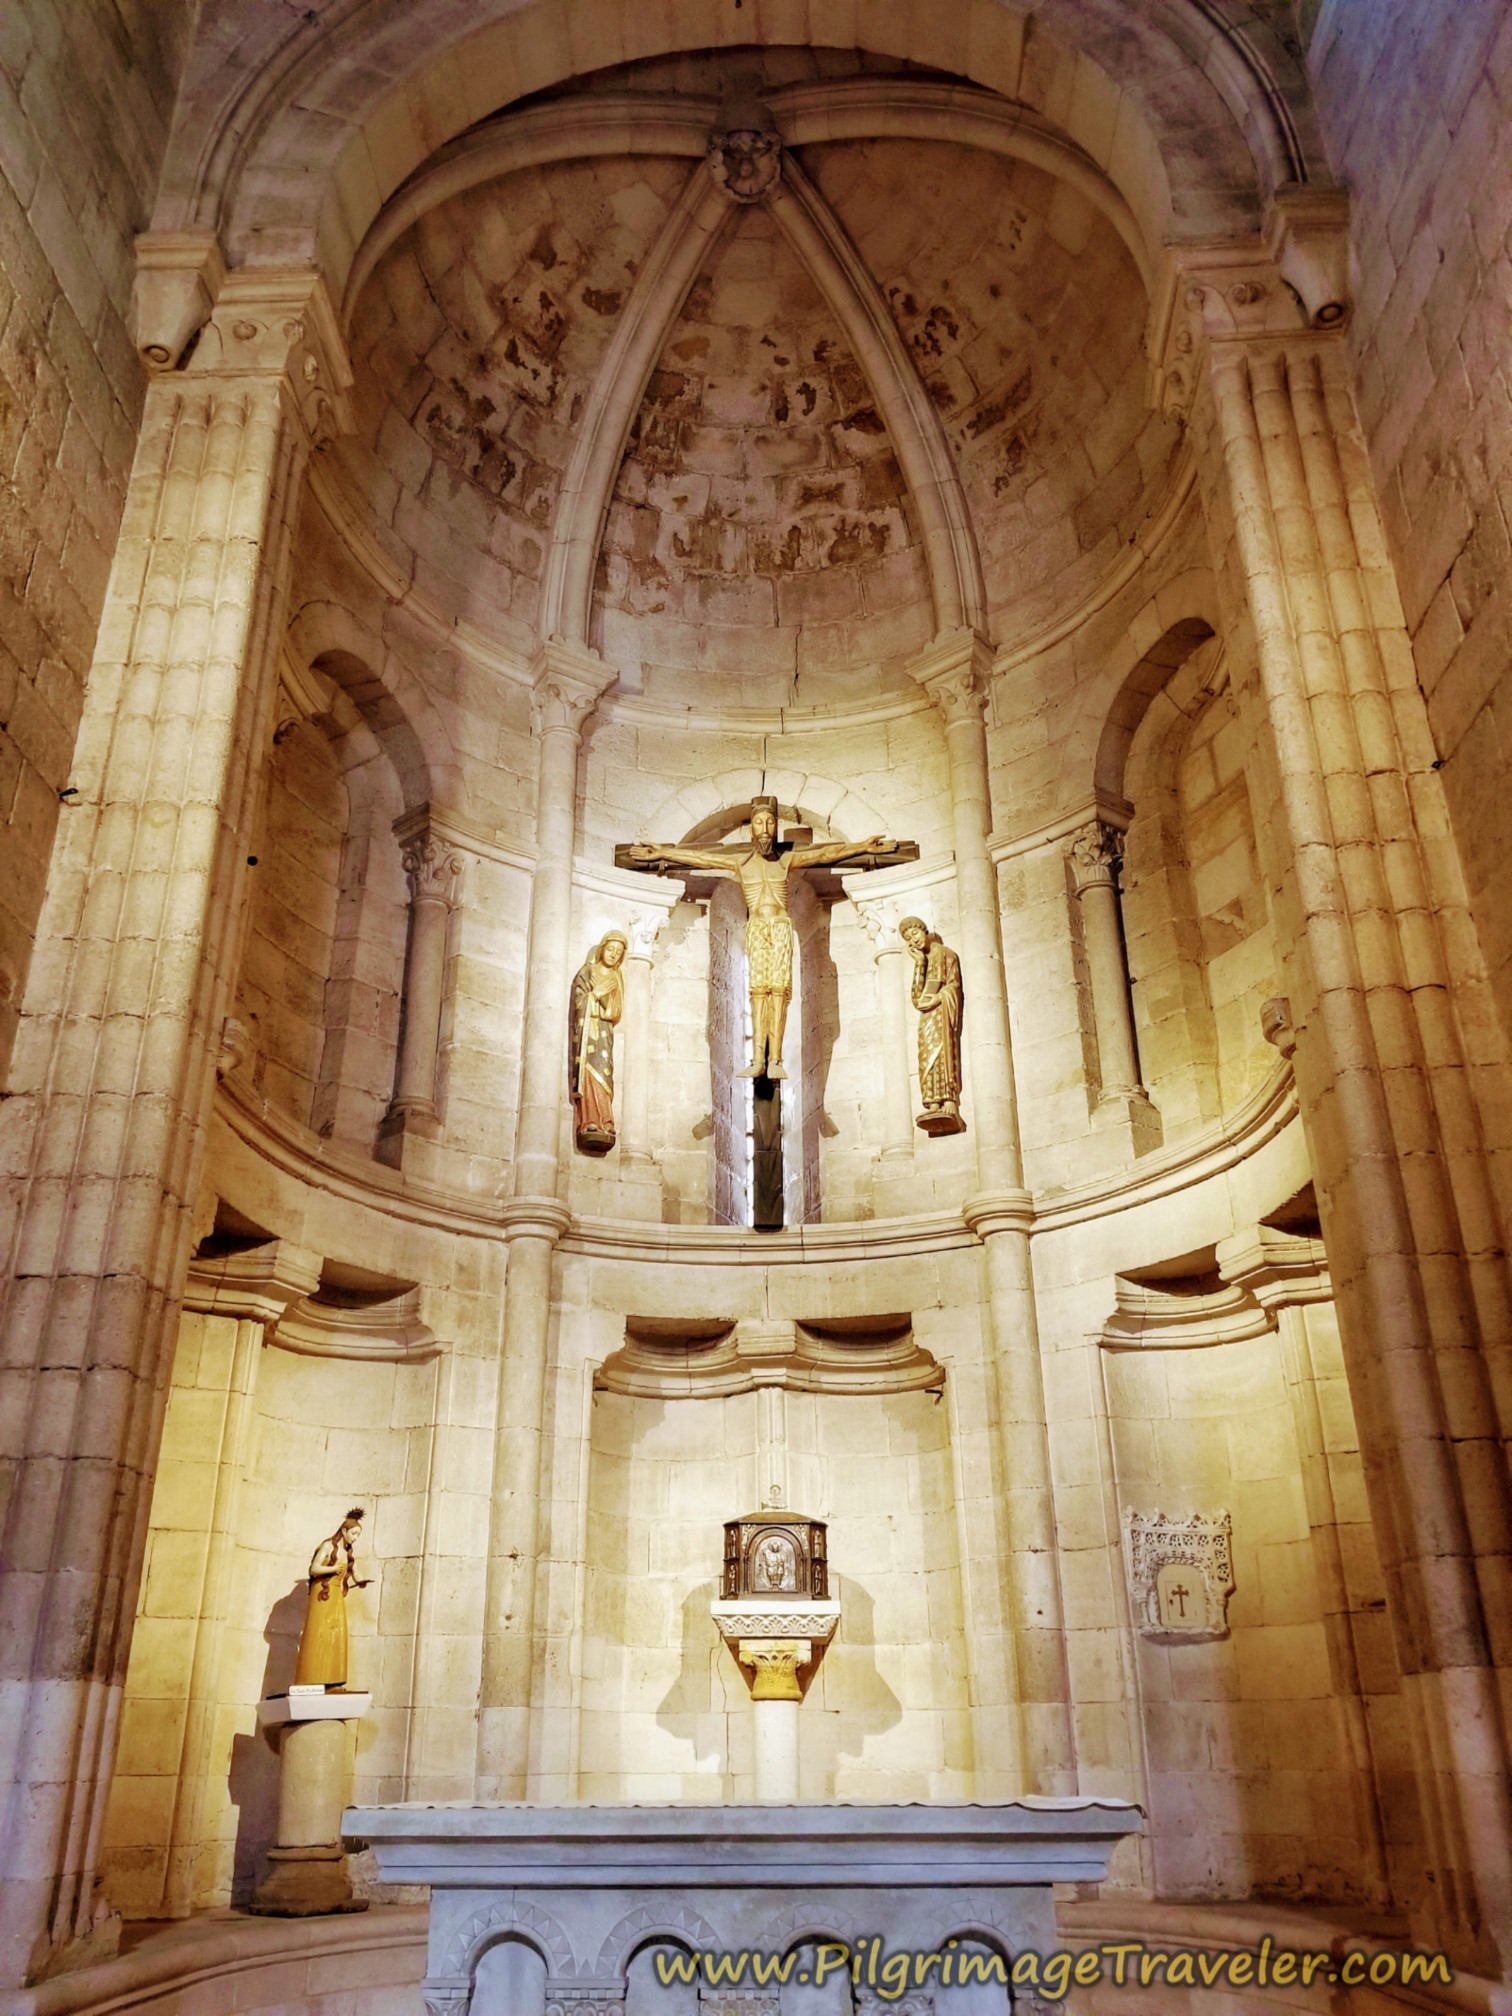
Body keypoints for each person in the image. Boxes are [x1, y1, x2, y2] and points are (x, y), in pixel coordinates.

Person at [623, 799, 894, 1080]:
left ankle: (775, 1059)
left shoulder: (786, 860)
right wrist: (663, 852)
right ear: (751, 828)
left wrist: (862, 847)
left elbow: (826, 854)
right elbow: (702, 858)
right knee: (757, 991)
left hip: (779, 926)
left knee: (779, 991)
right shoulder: (740, 861)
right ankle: (756, 1060)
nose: (765, 829)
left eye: (770, 822)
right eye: (759, 822)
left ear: (776, 827)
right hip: (756, 928)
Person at [900, 916, 965, 1135]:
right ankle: (932, 1102)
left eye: (915, 934)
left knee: (944, 1052)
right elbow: (917, 999)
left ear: (924, 931)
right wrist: (919, 963)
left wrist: (939, 999)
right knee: (926, 1056)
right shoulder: (923, 962)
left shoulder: (947, 955)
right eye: (908, 938)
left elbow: (953, 986)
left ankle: (949, 1098)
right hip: (927, 1017)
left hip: (942, 1011)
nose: (914, 940)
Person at [293, 1509, 370, 1689]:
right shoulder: (328, 1546)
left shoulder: (349, 1552)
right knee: (318, 1633)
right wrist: (332, 1569)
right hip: (323, 1593)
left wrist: (361, 1581)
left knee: (336, 1634)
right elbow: (314, 1569)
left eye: (358, 1535)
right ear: (344, 1531)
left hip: (336, 1595)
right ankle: (310, 1678)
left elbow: (356, 1572)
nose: (355, 1538)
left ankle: (332, 1679)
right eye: (353, 1534)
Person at [568, 930, 628, 1152]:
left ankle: (606, 1120)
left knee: (604, 1072)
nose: (613, 955)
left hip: (604, 1033)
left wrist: (602, 996)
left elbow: (615, 1012)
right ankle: (589, 1120)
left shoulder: (616, 978)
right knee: (589, 1073)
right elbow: (579, 1001)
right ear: (602, 949)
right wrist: (592, 996)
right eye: (610, 949)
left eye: (618, 952)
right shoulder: (587, 972)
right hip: (587, 1031)